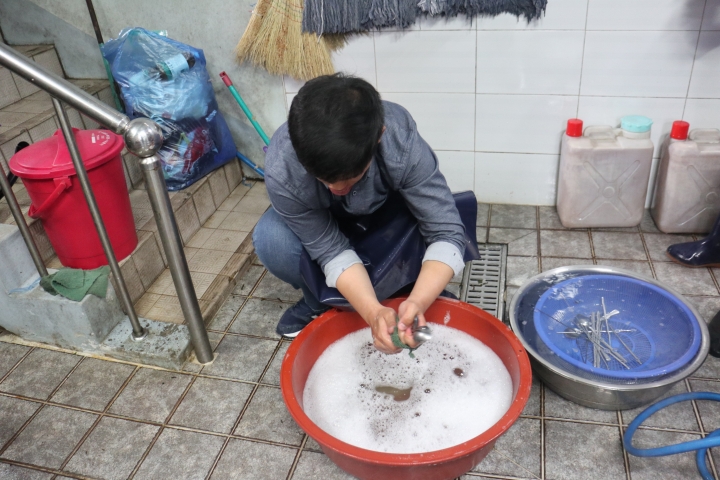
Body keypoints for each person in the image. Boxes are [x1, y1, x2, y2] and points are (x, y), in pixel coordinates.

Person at [252, 74, 467, 354]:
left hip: (389, 217)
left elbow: (445, 231)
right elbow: (329, 249)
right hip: (329, 222)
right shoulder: (283, 166)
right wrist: (372, 312)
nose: (336, 189)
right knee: (271, 238)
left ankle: (409, 288)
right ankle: (319, 301)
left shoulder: (399, 137)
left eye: (352, 177)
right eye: (324, 180)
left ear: (379, 136)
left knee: (425, 216)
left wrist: (419, 301)